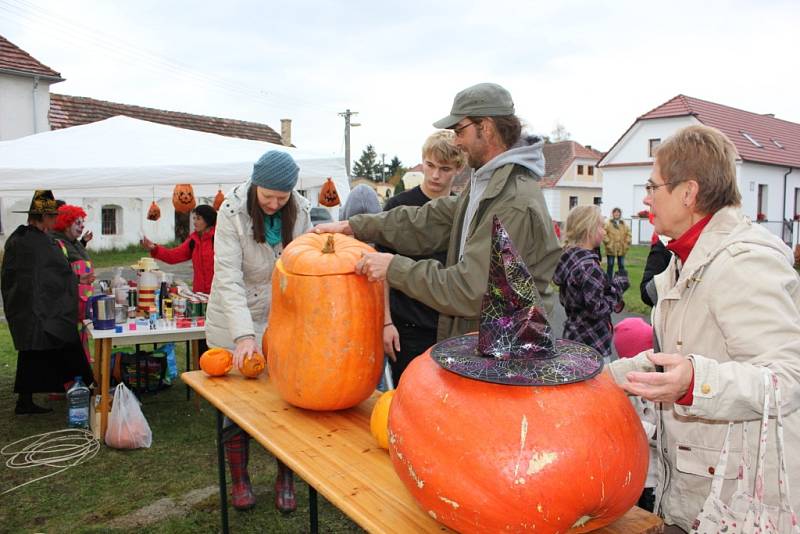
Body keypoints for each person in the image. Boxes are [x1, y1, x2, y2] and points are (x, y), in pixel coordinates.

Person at [608, 125, 800, 531]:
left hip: (743, 504)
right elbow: (675, 357)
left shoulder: (742, 263)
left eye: (652, 185)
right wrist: (599, 380)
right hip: (702, 488)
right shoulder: (687, 257)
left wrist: (696, 381)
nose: (645, 197)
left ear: (687, 193)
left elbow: (788, 376)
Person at [314, 82, 561, 343]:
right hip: (488, 343)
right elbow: (429, 221)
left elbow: (470, 289)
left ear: (485, 128)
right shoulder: (488, 182)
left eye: (459, 130)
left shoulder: (513, 200)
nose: (456, 140)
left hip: (506, 353)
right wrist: (354, 226)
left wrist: (394, 267)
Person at [205, 150, 311, 512]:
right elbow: (228, 279)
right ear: (255, 186)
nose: (274, 203)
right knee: (237, 408)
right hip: (234, 319)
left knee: (286, 405)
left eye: (282, 198)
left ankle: (286, 477)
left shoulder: (301, 212)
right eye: (268, 196)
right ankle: (240, 479)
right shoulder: (230, 213)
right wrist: (244, 336)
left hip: (280, 320)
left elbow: (303, 270)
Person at [379, 131, 465, 384]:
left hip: (448, 329)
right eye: (430, 165)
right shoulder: (398, 207)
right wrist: (385, 323)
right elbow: (380, 270)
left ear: (458, 169)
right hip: (405, 327)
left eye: (445, 168)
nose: (436, 175)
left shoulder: (463, 211)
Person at [1, 190, 95, 414]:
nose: (55, 220)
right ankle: (87, 388)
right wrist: (76, 279)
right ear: (42, 218)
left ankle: (27, 400)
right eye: (52, 216)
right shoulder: (34, 241)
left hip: (31, 306)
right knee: (60, 342)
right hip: (38, 308)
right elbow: (52, 273)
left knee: (33, 352)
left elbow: (48, 272)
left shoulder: (21, 237)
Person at [552, 205, 628, 358]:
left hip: (573, 336)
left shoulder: (570, 259)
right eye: (601, 226)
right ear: (589, 230)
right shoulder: (589, 267)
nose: (604, 231)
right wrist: (617, 287)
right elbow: (597, 309)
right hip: (593, 343)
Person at [613, 317, 657, 513]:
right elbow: (632, 425)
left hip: (658, 471)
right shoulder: (626, 391)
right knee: (642, 511)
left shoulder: (660, 383)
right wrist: (657, 433)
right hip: (644, 473)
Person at [51, 204, 96, 361]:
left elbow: (77, 258)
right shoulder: (56, 243)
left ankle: (82, 366)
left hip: (81, 301)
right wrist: (78, 279)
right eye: (77, 222)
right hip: (68, 303)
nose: (82, 225)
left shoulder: (74, 242)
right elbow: (56, 273)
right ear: (65, 223)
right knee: (71, 340)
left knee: (81, 335)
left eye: (82, 222)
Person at [141, 204, 217, 294]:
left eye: (198, 218)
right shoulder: (193, 241)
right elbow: (173, 256)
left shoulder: (218, 239)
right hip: (199, 295)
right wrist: (154, 248)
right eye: (194, 218)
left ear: (208, 221)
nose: (194, 222)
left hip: (218, 295)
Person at [603, 207, 631, 280]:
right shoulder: (608, 223)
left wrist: (626, 243)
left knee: (621, 264)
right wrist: (608, 243)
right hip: (611, 247)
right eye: (615, 212)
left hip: (621, 247)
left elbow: (628, 234)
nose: (616, 214)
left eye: (618, 212)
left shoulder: (624, 224)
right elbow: (604, 234)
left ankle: (622, 279)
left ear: (620, 214)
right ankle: (609, 280)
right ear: (612, 213)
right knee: (610, 264)